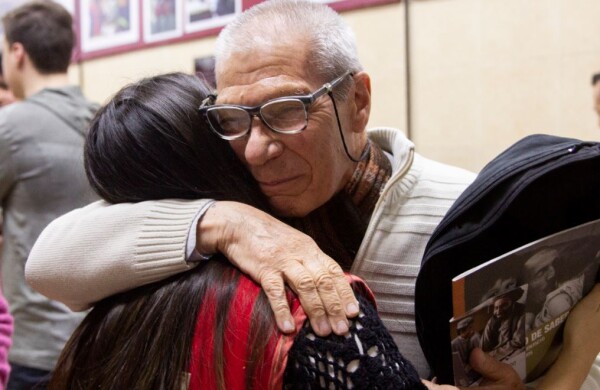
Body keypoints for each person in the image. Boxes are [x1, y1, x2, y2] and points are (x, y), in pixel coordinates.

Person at [25, 0, 596, 386]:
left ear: (358, 103)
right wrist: (229, 223)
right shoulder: (241, 198)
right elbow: (50, 260)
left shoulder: (466, 210)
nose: (255, 149)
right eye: (233, 118)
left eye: (286, 112)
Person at [48, 71, 428, 390]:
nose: (258, 147)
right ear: (219, 153)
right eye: (232, 123)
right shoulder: (314, 302)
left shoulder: (102, 312)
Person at [0, 1, 98, 388]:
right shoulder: (107, 118)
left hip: (40, 351)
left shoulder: (9, 127)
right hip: (105, 340)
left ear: (17, 52)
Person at [480, 288, 526, 359]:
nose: (498, 311)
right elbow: (484, 346)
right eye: (496, 308)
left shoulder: (521, 313)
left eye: (504, 306)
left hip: (511, 354)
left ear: (512, 304)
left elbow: (518, 342)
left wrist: (492, 355)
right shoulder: (492, 321)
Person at [451, 316, 481, 385]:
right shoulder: (453, 344)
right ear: (462, 331)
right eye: (470, 328)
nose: (472, 330)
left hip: (474, 370)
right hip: (464, 374)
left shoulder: (473, 338)